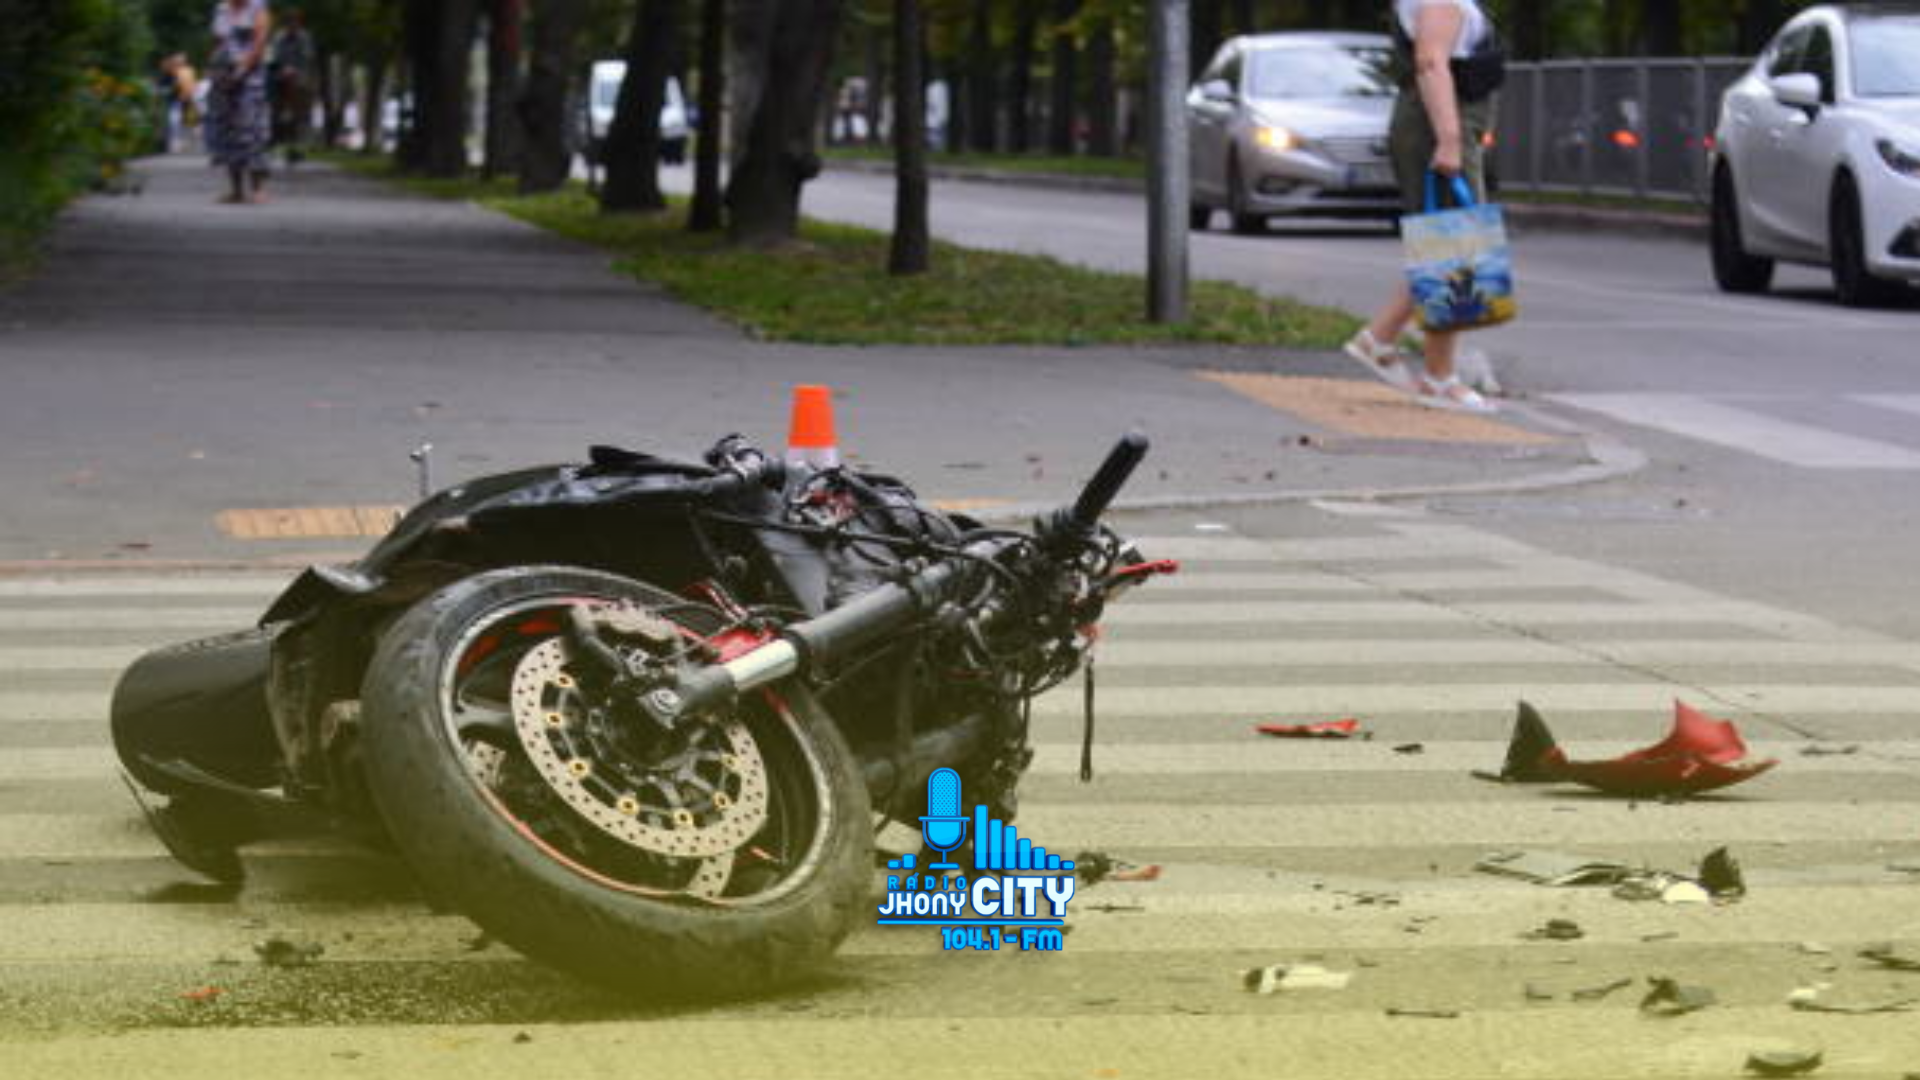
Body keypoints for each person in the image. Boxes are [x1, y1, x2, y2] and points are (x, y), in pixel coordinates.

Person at [1343, 0, 1499, 413]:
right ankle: (1436, 377)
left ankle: (1384, 341)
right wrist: (1449, 138)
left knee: (1451, 250)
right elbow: (1430, 62)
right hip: (1440, 123)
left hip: (1442, 119)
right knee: (1453, 251)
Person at [205, 0, 274, 204]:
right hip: (222, 77)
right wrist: (213, 70)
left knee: (252, 129)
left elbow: (259, 42)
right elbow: (217, 42)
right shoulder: (221, 8)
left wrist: (242, 70)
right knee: (227, 129)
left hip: (251, 78)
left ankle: (258, 188)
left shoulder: (258, 7)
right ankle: (236, 189)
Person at [269, 8, 316, 165]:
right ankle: (274, 138)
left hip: (299, 77)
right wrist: (283, 69)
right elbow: (274, 57)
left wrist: (294, 70)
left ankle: (296, 147)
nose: (292, 26)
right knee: (274, 107)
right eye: (290, 23)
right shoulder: (279, 38)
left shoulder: (304, 37)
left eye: (295, 23)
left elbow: (308, 57)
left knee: (300, 113)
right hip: (280, 77)